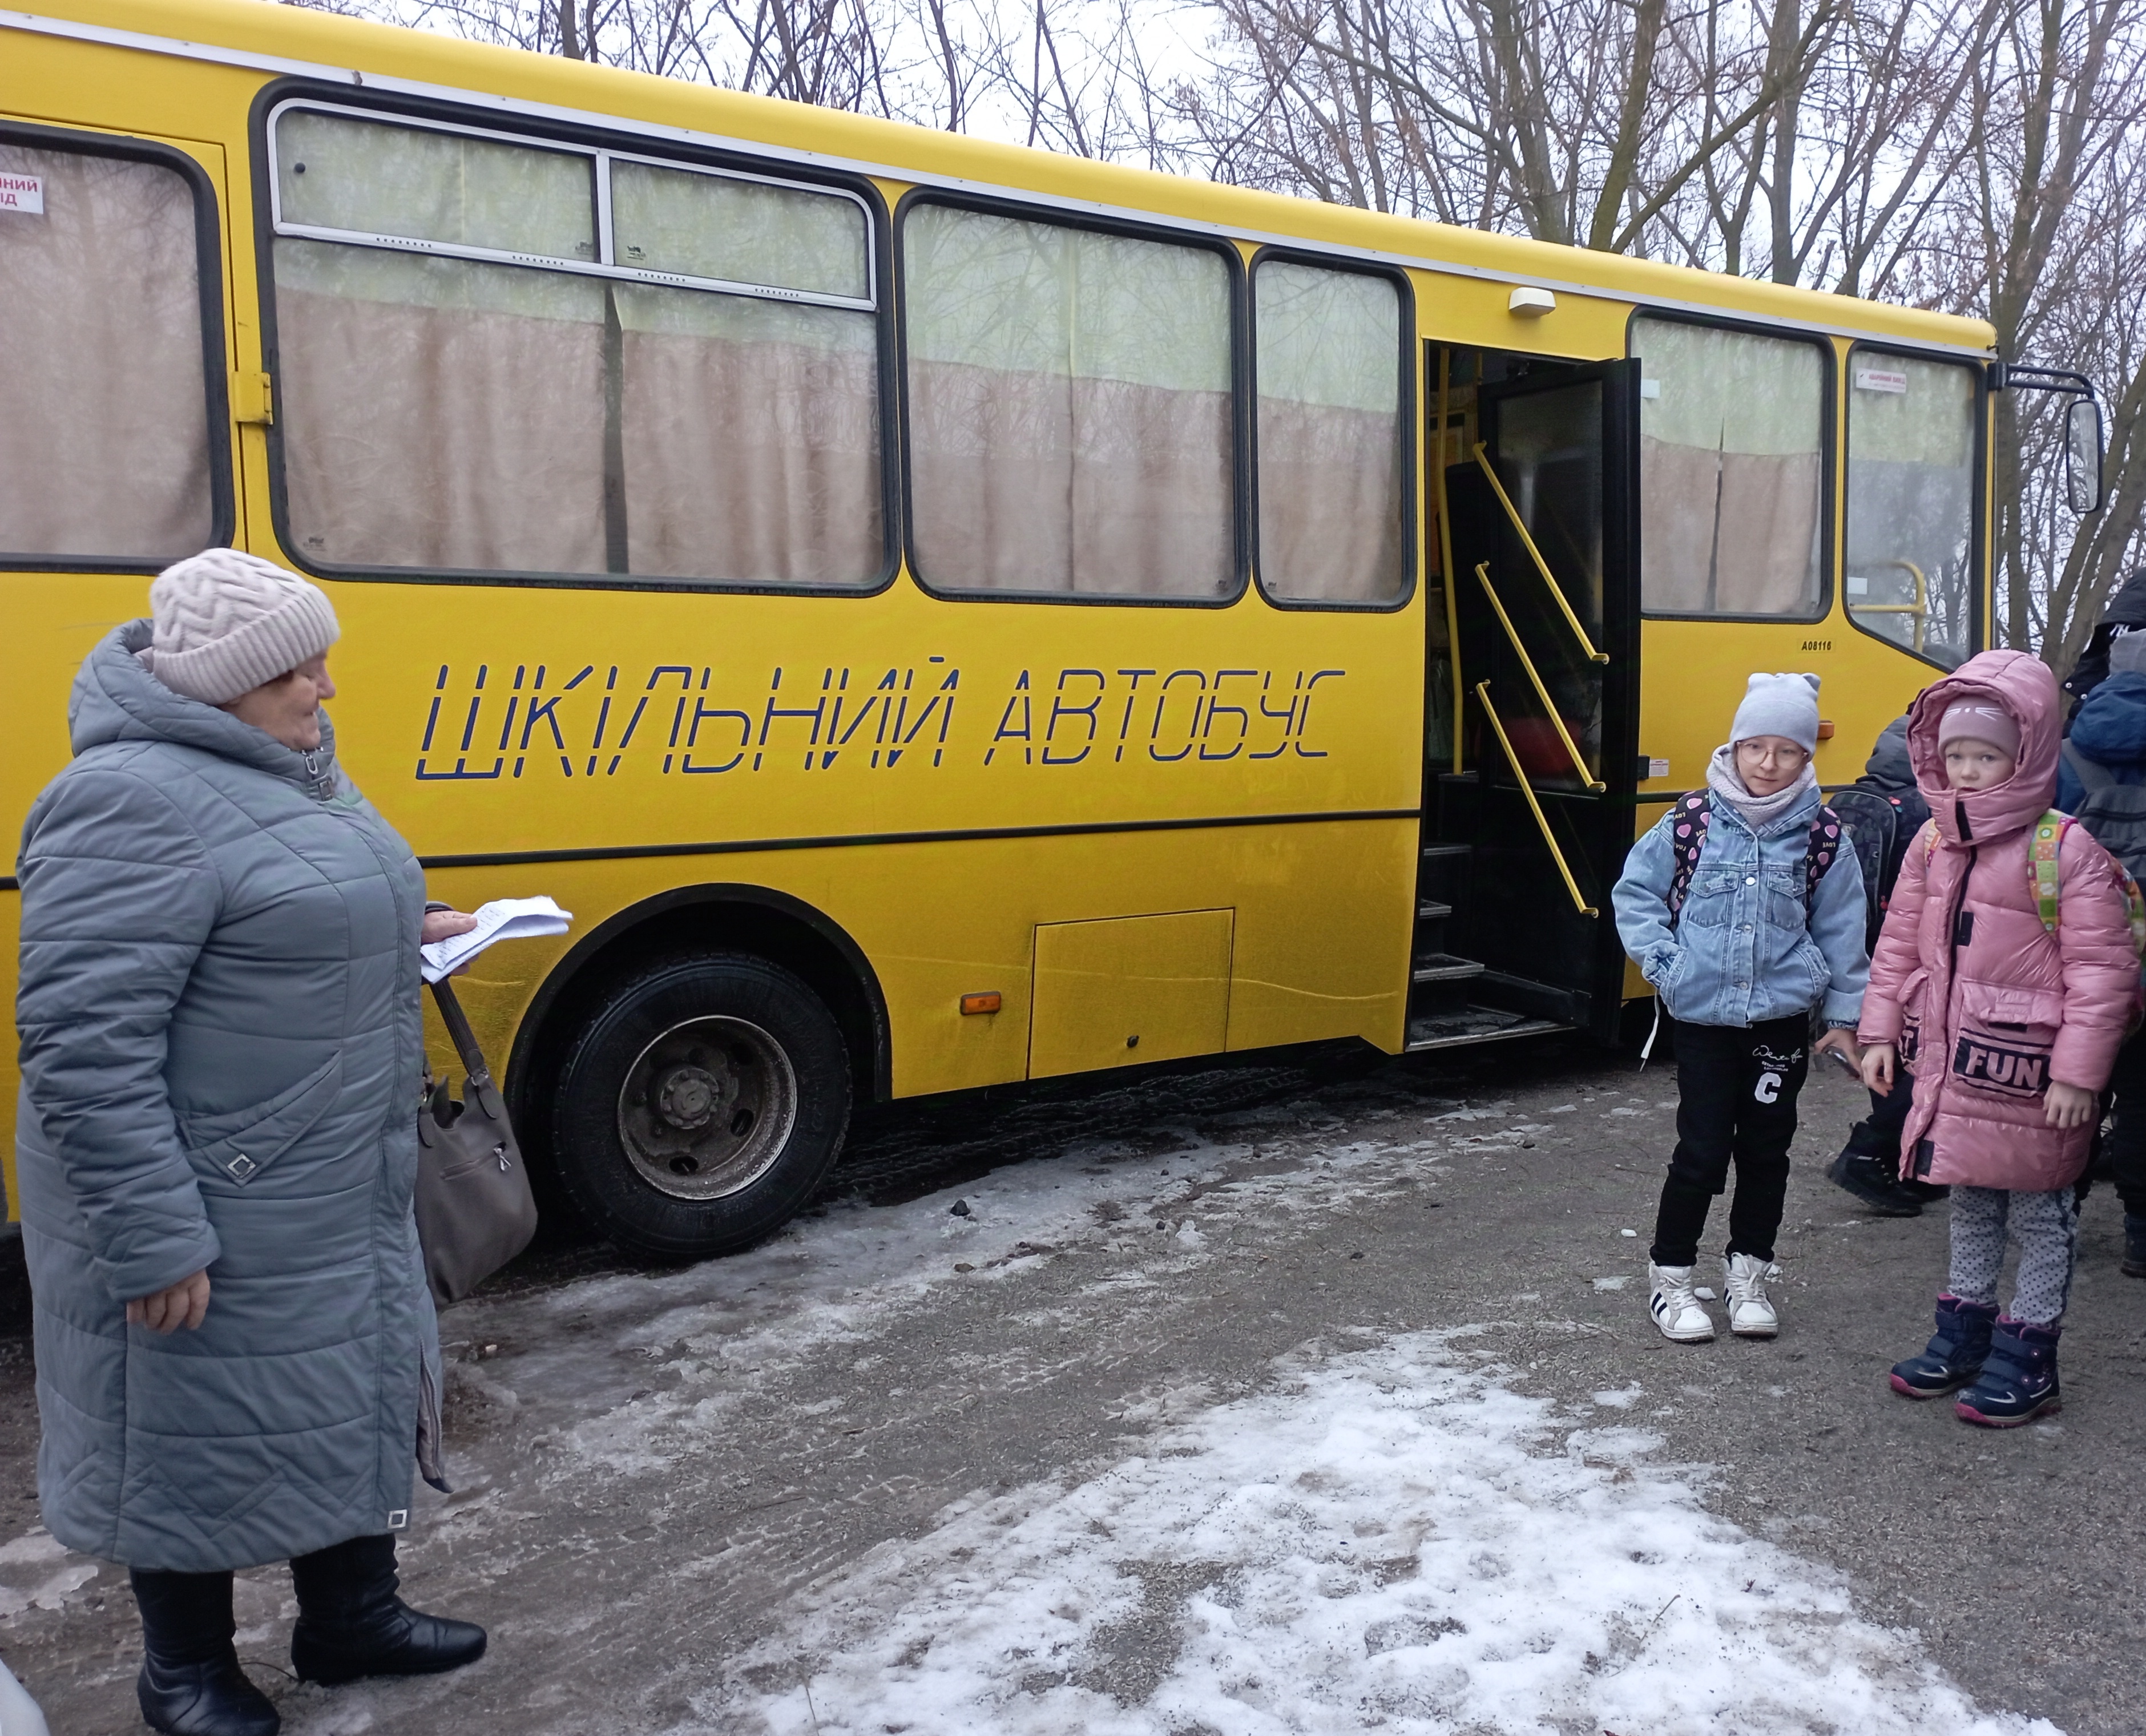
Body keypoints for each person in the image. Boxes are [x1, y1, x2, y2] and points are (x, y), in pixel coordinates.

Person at [15, 550, 489, 1736]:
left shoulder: (286, 764)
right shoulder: (125, 798)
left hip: (322, 1182)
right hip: (206, 1195)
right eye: (297, 665)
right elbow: (80, 1044)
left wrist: (409, 925)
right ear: (223, 679)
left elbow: (281, 910)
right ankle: (184, 1674)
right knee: (184, 1430)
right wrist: (154, 1234)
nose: (325, 686)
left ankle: (350, 1618)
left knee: (334, 1395)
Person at [1860, 652, 2139, 1427]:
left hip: (2035, 1074)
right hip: (1958, 1067)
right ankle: (1966, 1330)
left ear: (2027, 756)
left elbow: (2102, 973)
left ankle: (2031, 1350)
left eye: (1987, 756)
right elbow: (1897, 947)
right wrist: (1880, 1030)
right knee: (1971, 1200)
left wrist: (2080, 1075)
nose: (1971, 770)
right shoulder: (1931, 845)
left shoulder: (2065, 849)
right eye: (1957, 755)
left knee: (2042, 1215)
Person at [1613, 673, 1868, 1345]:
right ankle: (1670, 1278)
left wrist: (1843, 1016)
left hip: (1778, 1023)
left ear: (1806, 758)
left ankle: (1748, 1273)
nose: (1768, 763)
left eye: (1787, 751)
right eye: (1756, 747)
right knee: (1699, 1150)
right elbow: (1635, 897)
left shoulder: (1822, 838)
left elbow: (1843, 932)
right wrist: (1668, 967)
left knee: (1765, 1150)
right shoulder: (1690, 821)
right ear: (1734, 746)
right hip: (1701, 1020)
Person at [1827, 714, 1946, 1217]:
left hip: (1860, 947)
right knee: (1919, 1059)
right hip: (1908, 953)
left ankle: (1903, 1163)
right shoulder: (1927, 811)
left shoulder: (1847, 800)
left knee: (1888, 1052)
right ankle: (1871, 1154)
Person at [2055, 628, 2146, 1278]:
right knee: (2143, 1099)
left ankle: (2057, 1220)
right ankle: (2141, 1236)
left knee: (2073, 1089)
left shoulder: (2062, 756)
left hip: (2078, 959)